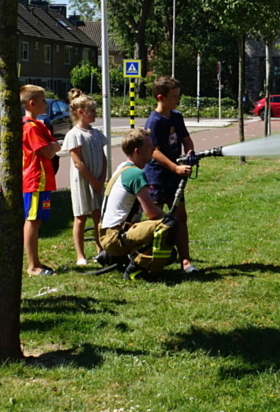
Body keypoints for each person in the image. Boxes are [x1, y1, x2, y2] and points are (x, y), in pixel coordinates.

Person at [99, 128, 184, 280]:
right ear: (137, 151)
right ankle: (138, 268)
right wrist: (171, 220)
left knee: (169, 254)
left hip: (108, 234)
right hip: (116, 236)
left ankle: (120, 258)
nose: (153, 150)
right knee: (168, 224)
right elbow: (151, 212)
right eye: (149, 147)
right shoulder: (136, 174)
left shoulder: (123, 168)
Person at [143, 75, 197, 273]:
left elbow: (186, 139)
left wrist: (189, 152)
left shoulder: (176, 117)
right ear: (160, 97)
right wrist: (174, 167)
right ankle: (148, 260)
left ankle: (186, 261)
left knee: (180, 217)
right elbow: (154, 151)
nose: (177, 99)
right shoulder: (154, 121)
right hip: (157, 176)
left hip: (175, 176)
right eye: (174, 96)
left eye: (178, 95)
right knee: (154, 219)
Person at [62, 88, 108, 266]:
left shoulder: (96, 133)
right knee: (80, 216)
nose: (95, 114)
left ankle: (101, 249)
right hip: (83, 181)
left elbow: (103, 157)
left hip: (97, 179)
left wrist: (102, 177)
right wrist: (92, 180)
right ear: (81, 112)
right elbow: (78, 162)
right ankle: (80, 255)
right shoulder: (74, 135)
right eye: (92, 111)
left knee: (99, 216)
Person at [21, 84, 60, 276]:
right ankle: (32, 265)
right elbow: (48, 151)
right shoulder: (30, 128)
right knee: (33, 220)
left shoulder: (40, 125)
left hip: (43, 180)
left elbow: (56, 146)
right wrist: (52, 147)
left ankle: (36, 262)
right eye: (43, 100)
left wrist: (52, 147)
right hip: (35, 179)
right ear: (32, 103)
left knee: (37, 220)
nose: (46, 104)